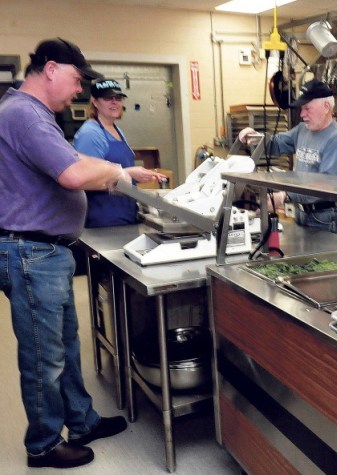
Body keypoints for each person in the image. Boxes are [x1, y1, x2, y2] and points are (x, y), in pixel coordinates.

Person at [0, 38, 131, 469]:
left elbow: (69, 161)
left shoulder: (33, 114)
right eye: (78, 81)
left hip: (46, 252)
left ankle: (82, 420)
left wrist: (118, 171)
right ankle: (43, 445)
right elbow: (74, 173)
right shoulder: (25, 114)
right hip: (31, 252)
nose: (79, 91)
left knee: (65, 347)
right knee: (44, 355)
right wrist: (116, 171)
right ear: (52, 69)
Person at [239, 79, 337, 235]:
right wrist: (256, 138)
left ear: (326, 107)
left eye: (307, 108)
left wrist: (284, 196)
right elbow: (276, 143)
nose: (302, 114)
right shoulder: (302, 130)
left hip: (326, 218)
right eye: (301, 108)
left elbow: (325, 185)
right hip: (301, 213)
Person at [73, 78, 167, 227]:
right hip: (103, 220)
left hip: (124, 215)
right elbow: (86, 179)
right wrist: (128, 173)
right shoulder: (91, 133)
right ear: (95, 102)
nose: (114, 102)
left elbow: (120, 170)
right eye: (108, 98)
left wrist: (139, 175)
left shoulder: (116, 130)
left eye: (118, 98)